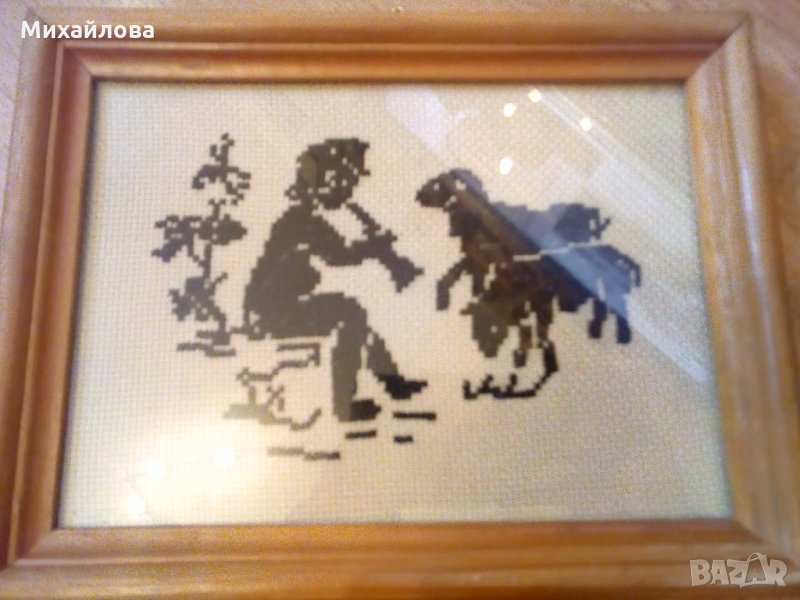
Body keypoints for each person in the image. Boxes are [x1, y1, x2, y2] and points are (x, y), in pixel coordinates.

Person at [242, 138, 426, 423]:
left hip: (274, 308)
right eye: (344, 182)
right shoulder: (300, 219)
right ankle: (347, 404)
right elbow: (340, 256)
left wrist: (374, 248)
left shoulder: (303, 216)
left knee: (351, 311)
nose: (348, 190)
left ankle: (392, 383)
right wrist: (376, 248)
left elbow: (338, 253)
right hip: (269, 314)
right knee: (350, 312)